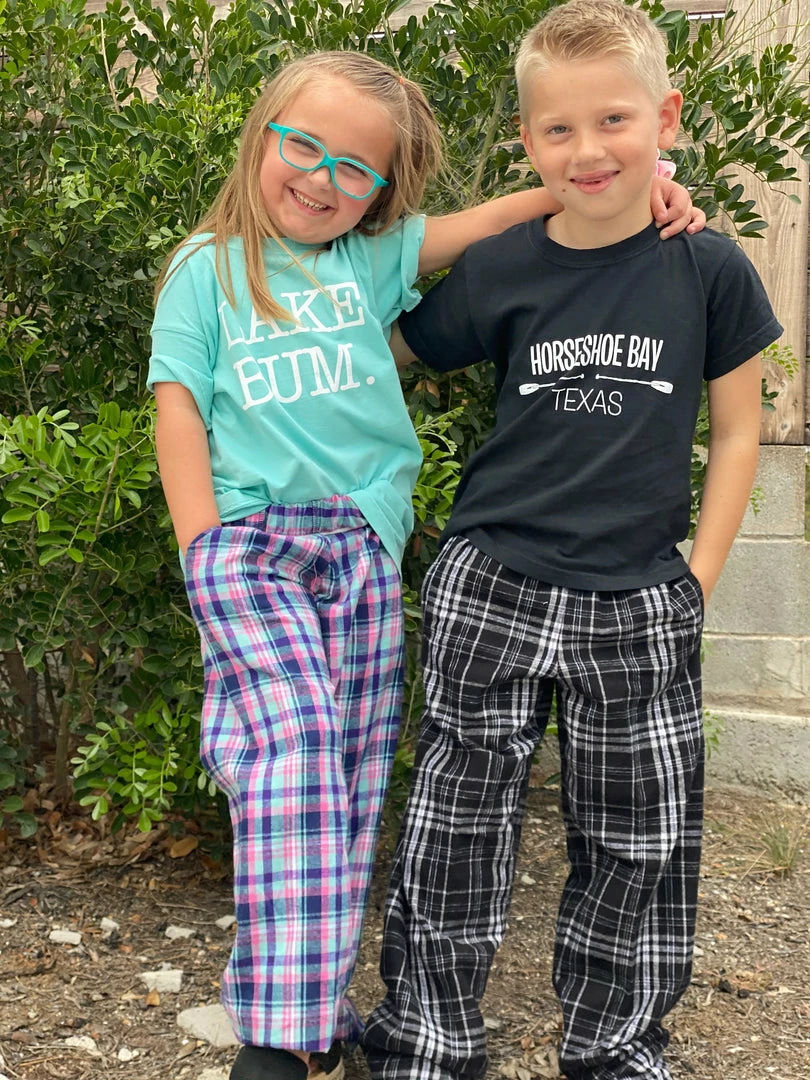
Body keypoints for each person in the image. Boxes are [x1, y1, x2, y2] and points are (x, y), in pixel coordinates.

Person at [147, 46, 701, 1080]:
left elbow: (499, 216)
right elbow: (177, 407)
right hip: (249, 545)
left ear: (380, 190)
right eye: (302, 146)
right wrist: (201, 548)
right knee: (292, 750)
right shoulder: (205, 270)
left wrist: (644, 187)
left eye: (353, 168)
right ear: (262, 136)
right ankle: (275, 1038)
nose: (321, 178)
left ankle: (314, 1018)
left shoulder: (370, 260)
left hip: (361, 542)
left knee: (351, 778)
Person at [361, 5, 782, 1080]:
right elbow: (384, 353)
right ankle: (429, 1036)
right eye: (559, 129)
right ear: (528, 141)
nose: (588, 150)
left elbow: (739, 430)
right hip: (491, 580)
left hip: (639, 597)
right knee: (456, 822)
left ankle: (616, 1044)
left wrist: (697, 579)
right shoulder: (501, 266)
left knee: (640, 838)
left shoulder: (711, 269)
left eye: (613, 120)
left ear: (665, 118)